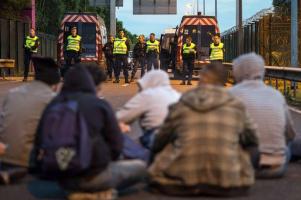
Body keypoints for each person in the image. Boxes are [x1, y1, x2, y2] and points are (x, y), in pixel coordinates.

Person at [33, 65, 147, 198]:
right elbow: (117, 146)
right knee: (141, 167)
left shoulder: (54, 104)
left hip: (60, 178)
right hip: (93, 175)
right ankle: (96, 192)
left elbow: (39, 141)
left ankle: (79, 190)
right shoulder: (98, 104)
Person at [149, 63, 258, 197]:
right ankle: (233, 170)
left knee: (165, 141)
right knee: (251, 147)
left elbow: (160, 140)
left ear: (201, 79)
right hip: (227, 184)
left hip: (179, 182)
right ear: (224, 81)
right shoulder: (236, 104)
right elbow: (253, 139)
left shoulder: (182, 102)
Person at [230, 53, 296, 179]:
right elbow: (290, 134)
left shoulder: (231, 94)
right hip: (276, 166)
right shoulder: (276, 94)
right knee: (292, 146)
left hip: (242, 161)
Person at [0, 57, 61, 170]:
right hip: (28, 161)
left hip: (4, 157)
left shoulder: (12, 94)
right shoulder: (53, 99)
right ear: (56, 84)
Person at [117, 70, 181, 149]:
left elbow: (121, 117)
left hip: (158, 137)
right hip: (181, 137)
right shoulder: (177, 95)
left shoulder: (148, 94)